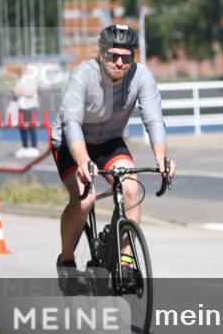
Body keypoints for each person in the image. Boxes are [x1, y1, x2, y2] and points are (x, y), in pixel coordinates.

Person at [51, 24, 176, 290]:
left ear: (133, 57)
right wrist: (83, 161)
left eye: (126, 57)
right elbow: (71, 123)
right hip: (72, 141)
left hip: (109, 140)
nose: (119, 62)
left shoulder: (142, 76)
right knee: (85, 198)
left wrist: (162, 159)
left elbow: (153, 118)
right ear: (101, 54)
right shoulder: (83, 75)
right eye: (113, 56)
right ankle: (67, 261)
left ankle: (127, 262)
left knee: (131, 188)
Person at [14, 63, 40, 158]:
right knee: (22, 128)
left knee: (31, 127)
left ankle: (34, 147)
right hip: (21, 108)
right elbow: (16, 91)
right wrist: (22, 92)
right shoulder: (19, 81)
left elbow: (31, 92)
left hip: (30, 108)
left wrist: (22, 92)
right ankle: (24, 147)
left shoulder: (31, 79)